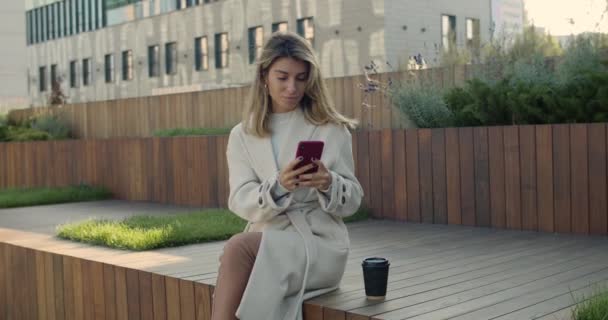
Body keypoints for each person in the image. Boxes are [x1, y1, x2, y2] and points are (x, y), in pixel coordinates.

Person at [211, 31, 364, 320]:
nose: (292, 87)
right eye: (282, 77)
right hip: (268, 241)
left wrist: (329, 183)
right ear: (264, 77)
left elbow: (353, 200)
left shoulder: (330, 128)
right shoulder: (242, 135)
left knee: (237, 249)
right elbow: (240, 200)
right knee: (240, 254)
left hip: (319, 244)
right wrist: (278, 186)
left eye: (301, 78)